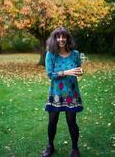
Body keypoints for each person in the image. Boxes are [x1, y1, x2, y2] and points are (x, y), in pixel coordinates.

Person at [42, 27, 83, 157]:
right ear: (55, 39)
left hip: (71, 93)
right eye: (58, 37)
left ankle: (75, 148)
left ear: (67, 38)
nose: (61, 39)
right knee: (52, 121)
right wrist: (66, 72)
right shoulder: (50, 54)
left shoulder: (75, 54)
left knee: (71, 121)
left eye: (63, 37)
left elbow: (79, 70)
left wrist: (80, 72)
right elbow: (50, 74)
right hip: (56, 94)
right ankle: (50, 145)